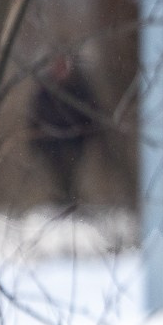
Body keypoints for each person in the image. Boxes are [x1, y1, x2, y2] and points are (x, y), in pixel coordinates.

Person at [29, 51, 101, 210]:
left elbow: (91, 113)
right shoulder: (45, 88)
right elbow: (35, 116)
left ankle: (73, 205)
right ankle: (60, 205)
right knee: (57, 177)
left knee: (73, 175)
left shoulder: (79, 86)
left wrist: (87, 134)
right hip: (51, 144)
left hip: (75, 143)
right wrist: (36, 141)